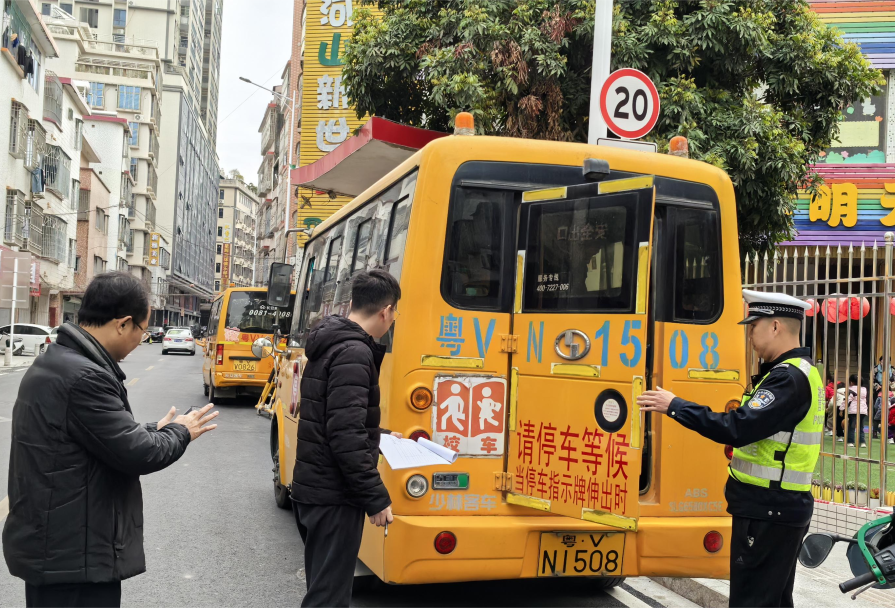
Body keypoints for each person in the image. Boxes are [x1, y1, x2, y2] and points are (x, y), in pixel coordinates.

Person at [2, 272, 218, 608]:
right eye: (142, 331)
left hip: (56, 549)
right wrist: (182, 430)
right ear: (123, 324)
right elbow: (140, 455)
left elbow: (90, 437)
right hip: (74, 559)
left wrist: (147, 429)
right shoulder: (84, 376)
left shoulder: (58, 361)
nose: (139, 341)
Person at [637, 289, 822, 608]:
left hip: (768, 510)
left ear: (775, 326)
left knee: (752, 601)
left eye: (754, 325)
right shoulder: (792, 373)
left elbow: (738, 427)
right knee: (773, 600)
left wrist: (675, 406)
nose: (750, 334)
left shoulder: (788, 379)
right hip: (774, 508)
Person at [292, 269, 401, 608]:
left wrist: (379, 436)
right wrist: (376, 497)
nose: (393, 320)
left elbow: (335, 419)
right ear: (385, 311)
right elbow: (344, 434)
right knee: (328, 599)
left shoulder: (330, 343)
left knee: (323, 589)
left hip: (315, 488)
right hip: (334, 496)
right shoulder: (354, 352)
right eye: (395, 312)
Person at [844, 374, 868, 447]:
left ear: (851, 382)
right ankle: (862, 442)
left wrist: (842, 409)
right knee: (861, 427)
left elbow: (847, 399)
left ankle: (851, 442)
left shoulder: (850, 389)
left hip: (853, 411)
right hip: (863, 410)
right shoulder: (864, 389)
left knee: (851, 427)